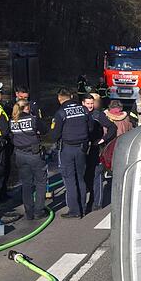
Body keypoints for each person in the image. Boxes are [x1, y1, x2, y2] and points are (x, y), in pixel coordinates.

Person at [48, 88, 92, 219]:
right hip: (82, 148)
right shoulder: (83, 109)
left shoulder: (60, 113)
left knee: (69, 180)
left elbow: (54, 135)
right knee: (80, 178)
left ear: (59, 98)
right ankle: (83, 208)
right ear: (71, 96)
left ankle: (74, 210)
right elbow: (90, 127)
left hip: (67, 149)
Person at [10, 99, 49, 220]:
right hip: (34, 154)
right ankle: (39, 211)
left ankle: (29, 212)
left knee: (26, 184)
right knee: (40, 182)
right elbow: (45, 130)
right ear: (26, 108)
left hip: (19, 154)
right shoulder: (32, 119)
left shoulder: (12, 121)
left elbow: (11, 136)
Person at [81, 93, 117, 211]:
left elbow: (112, 127)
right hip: (82, 149)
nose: (90, 106)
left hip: (95, 148)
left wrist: (103, 140)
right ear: (83, 103)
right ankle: (83, 203)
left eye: (92, 103)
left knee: (97, 174)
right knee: (84, 176)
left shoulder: (98, 114)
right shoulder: (79, 114)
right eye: (88, 104)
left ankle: (97, 203)